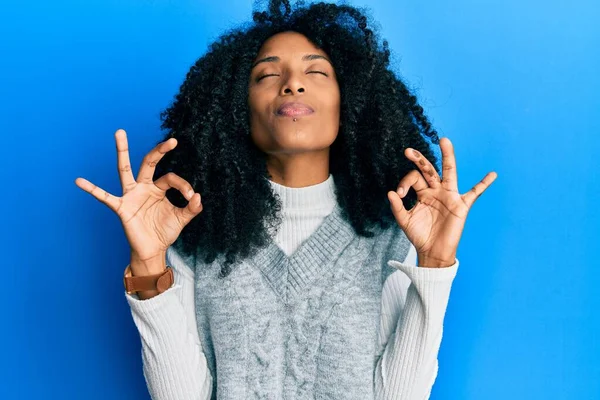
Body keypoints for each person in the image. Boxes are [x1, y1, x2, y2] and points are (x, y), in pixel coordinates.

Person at [75, 0, 497, 399]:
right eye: (266, 75)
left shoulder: (392, 232)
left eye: (316, 73)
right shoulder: (197, 235)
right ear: (237, 109)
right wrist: (149, 262)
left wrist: (435, 264)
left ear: (348, 102)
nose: (292, 84)